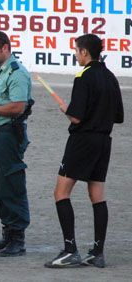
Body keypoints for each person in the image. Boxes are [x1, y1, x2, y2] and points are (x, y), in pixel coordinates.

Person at [44, 34, 124, 269]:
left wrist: (66, 110)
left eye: (77, 51)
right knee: (97, 195)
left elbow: (76, 116)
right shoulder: (111, 77)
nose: (76, 55)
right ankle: (97, 253)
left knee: (61, 193)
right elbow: (118, 116)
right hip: (103, 141)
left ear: (85, 53)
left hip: (82, 141)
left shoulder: (83, 76)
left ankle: (70, 250)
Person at [0, 31, 33, 257]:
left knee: (11, 185)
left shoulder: (16, 73)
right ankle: (8, 231)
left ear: (5, 48)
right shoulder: (0, 70)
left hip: (8, 134)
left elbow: (17, 107)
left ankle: (18, 237)